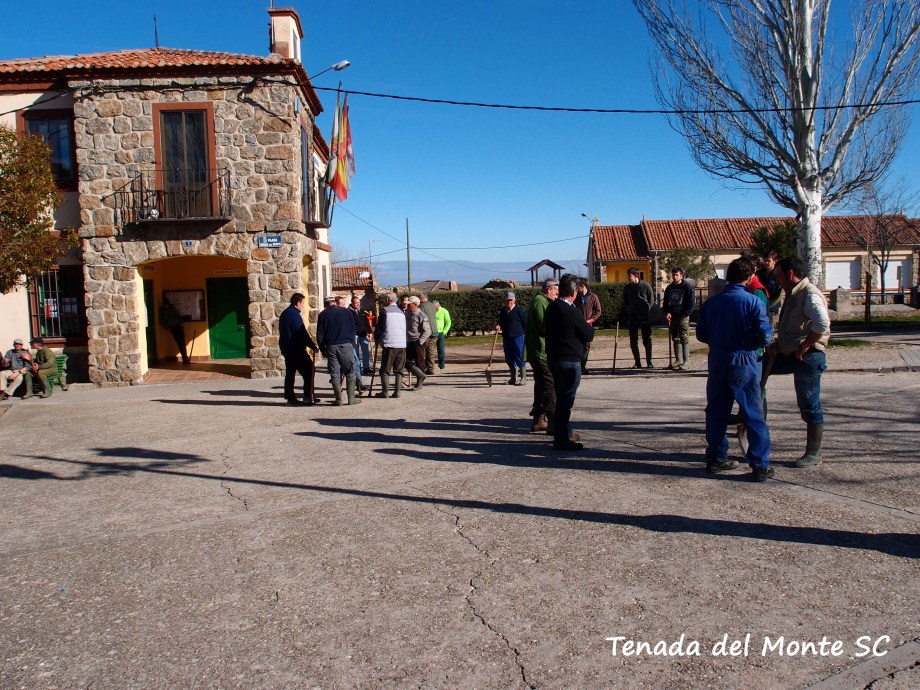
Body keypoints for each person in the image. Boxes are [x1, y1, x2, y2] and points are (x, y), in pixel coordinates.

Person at [696, 257, 774, 482]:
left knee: (717, 410)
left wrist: (719, 339)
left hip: (719, 358)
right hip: (744, 358)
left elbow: (701, 334)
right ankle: (759, 464)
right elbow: (765, 335)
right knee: (752, 411)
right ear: (749, 277)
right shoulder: (752, 302)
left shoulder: (712, 303)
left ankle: (716, 457)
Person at [766, 256, 831, 468]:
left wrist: (806, 345)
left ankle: (814, 453)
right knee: (759, 370)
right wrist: (779, 343)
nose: (777, 281)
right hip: (790, 353)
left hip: (808, 357)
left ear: (790, 274)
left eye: (779, 277)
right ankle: (752, 420)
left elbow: (822, 323)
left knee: (808, 402)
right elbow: (795, 326)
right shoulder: (794, 294)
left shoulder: (809, 294)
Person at [545, 274, 594, 451]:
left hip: (553, 358)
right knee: (566, 401)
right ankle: (561, 439)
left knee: (560, 397)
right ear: (573, 291)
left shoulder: (551, 308)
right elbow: (588, 334)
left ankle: (563, 432)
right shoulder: (571, 311)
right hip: (569, 360)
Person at [525, 278, 558, 433]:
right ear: (549, 289)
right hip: (540, 350)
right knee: (549, 385)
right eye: (556, 292)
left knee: (541, 385)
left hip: (539, 350)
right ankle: (553, 422)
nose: (557, 295)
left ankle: (539, 419)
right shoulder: (540, 301)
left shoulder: (541, 300)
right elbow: (544, 325)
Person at [317, 295, 360, 406]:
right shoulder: (346, 312)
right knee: (350, 371)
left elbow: (320, 334)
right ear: (334, 302)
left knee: (334, 373)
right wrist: (352, 344)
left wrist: (322, 349)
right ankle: (351, 398)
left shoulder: (323, 315)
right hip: (346, 344)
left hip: (331, 346)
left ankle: (339, 399)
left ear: (326, 304)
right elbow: (353, 329)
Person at [279, 292, 319, 405]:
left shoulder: (285, 313)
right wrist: (312, 346)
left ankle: (290, 397)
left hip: (286, 348)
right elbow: (301, 333)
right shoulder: (294, 315)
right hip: (295, 349)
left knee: (290, 373)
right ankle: (307, 396)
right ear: (298, 302)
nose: (303, 305)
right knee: (309, 371)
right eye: (302, 303)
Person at [374, 292, 407, 398]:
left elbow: (380, 327)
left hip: (390, 343)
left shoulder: (385, 311)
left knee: (384, 370)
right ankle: (397, 392)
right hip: (401, 343)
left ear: (388, 299)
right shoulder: (401, 312)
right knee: (399, 370)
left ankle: (385, 392)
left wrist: (377, 338)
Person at [662, 267, 695, 370]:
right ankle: (678, 359)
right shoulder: (669, 288)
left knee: (684, 337)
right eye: (673, 275)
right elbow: (666, 302)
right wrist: (667, 312)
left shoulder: (687, 287)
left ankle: (686, 361)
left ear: (681, 276)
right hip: (673, 315)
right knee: (675, 338)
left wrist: (687, 313)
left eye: (676, 275)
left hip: (683, 316)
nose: (674, 277)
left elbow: (691, 302)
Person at [621, 267, 654, 368]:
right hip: (633, 317)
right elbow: (625, 301)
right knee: (633, 340)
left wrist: (646, 310)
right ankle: (637, 362)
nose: (628, 278)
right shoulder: (627, 288)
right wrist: (630, 310)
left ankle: (649, 362)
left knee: (647, 339)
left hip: (644, 317)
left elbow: (651, 300)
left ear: (636, 276)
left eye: (629, 276)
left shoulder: (645, 286)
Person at [496, 291, 527, 385]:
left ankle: (523, 378)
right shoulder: (503, 310)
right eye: (507, 300)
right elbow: (501, 321)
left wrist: (527, 336)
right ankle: (513, 378)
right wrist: (498, 325)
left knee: (520, 356)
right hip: (507, 337)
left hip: (518, 337)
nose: (508, 302)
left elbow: (526, 323)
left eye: (510, 300)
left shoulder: (519, 310)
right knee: (509, 358)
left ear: (514, 300)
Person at [575, 279, 602, 375]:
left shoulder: (593, 297)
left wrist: (590, 320)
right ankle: (577, 367)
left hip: (587, 326)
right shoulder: (576, 297)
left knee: (586, 347)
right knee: (577, 346)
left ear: (583, 286)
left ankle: (583, 366)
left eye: (578, 287)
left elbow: (598, 311)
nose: (576, 289)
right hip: (577, 326)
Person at [404, 296, 430, 390]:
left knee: (420, 363)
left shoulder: (421, 315)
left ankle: (419, 383)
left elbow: (427, 331)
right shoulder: (407, 313)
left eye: (409, 304)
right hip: (409, 341)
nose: (407, 305)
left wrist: (420, 342)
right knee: (404, 361)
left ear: (414, 304)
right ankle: (420, 375)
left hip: (418, 341)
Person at [348, 295, 371, 393]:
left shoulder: (362, 311)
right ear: (352, 303)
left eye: (359, 302)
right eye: (356, 302)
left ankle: (366, 367)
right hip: (355, 335)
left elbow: (366, 322)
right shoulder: (349, 312)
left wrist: (369, 332)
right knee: (356, 353)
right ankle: (358, 368)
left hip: (363, 334)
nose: (358, 304)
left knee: (366, 351)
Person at [158, 298, 190, 366]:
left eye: (167, 304)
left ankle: (185, 358)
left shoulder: (173, 308)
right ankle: (185, 358)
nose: (166, 306)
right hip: (172, 328)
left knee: (182, 342)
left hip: (178, 326)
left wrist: (181, 323)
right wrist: (167, 328)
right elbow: (162, 320)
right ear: (163, 304)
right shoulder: (161, 310)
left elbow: (178, 315)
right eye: (165, 304)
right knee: (179, 342)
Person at [757, 250, 784, 327]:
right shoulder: (759, 273)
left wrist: (769, 306)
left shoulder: (778, 275)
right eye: (765, 261)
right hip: (759, 306)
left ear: (774, 261)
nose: (766, 263)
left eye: (768, 261)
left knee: (769, 329)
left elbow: (778, 295)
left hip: (772, 309)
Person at [418, 293, 439, 374]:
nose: (419, 299)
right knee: (431, 351)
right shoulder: (432, 305)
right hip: (434, 329)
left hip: (426, 330)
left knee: (421, 350)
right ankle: (431, 368)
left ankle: (421, 368)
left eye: (420, 297)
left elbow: (420, 317)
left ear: (423, 298)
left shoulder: (422, 306)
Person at [433, 300, 452, 370]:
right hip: (432, 332)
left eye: (435, 307)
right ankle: (430, 365)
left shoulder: (444, 311)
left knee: (441, 349)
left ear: (438, 305)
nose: (434, 309)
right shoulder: (432, 311)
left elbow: (448, 322)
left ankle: (441, 365)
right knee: (430, 350)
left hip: (440, 332)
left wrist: (445, 331)